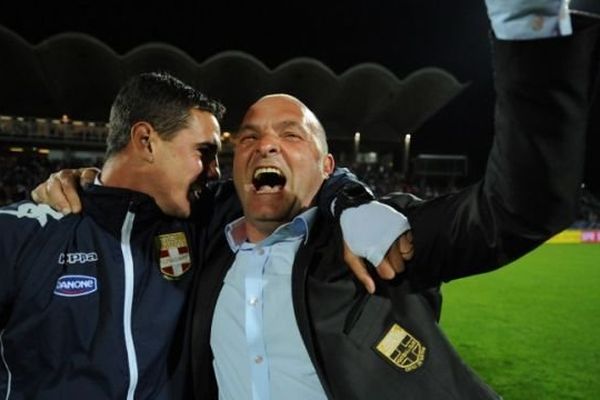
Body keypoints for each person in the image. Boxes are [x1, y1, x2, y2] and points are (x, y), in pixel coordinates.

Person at [186, 4, 600, 400]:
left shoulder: (376, 236)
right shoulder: (205, 248)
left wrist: (531, 28)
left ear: (326, 165)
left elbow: (520, 207)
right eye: (249, 137)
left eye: (291, 134)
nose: (266, 146)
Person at [2, 72, 412, 399]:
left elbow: (309, 177)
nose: (215, 170)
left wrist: (352, 203)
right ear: (145, 140)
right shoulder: (25, 231)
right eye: (205, 152)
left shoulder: (205, 220)